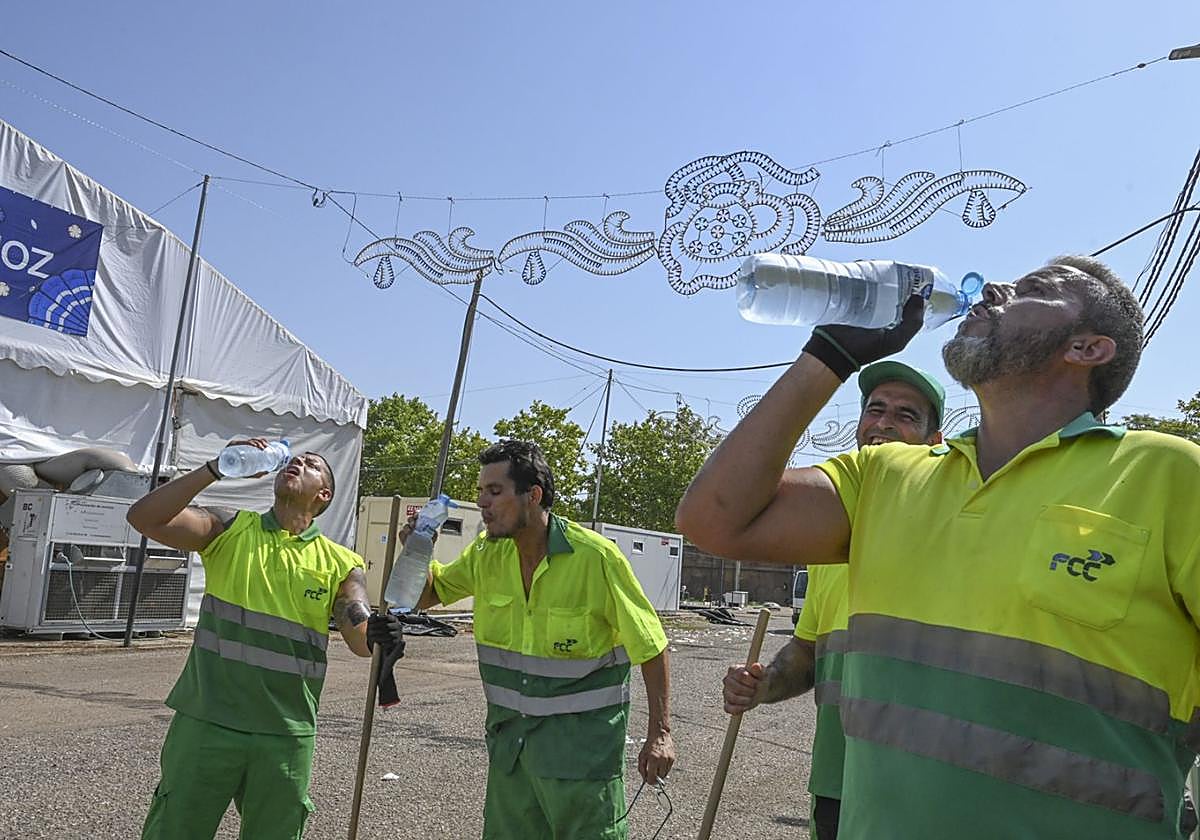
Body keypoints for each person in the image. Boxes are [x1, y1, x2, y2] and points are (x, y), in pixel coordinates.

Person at [677, 256, 1200, 838]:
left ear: (1086, 349)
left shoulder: (1170, 475)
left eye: (1035, 289)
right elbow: (713, 520)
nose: (999, 287)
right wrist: (830, 356)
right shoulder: (884, 476)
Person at [373, 440, 675, 839]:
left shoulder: (595, 558)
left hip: (581, 764)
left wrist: (661, 734)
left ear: (532, 495)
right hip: (511, 758)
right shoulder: (486, 554)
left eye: (494, 492)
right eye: (480, 492)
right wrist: (415, 552)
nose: (482, 502)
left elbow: (652, 648)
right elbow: (429, 595)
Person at [721, 360, 945, 840]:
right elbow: (808, 652)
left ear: (935, 441)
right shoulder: (829, 544)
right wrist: (766, 684)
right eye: (875, 408)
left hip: (927, 787)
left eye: (906, 415)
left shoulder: (952, 531)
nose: (883, 422)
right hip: (839, 782)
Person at [127, 438, 376, 840]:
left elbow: (360, 634)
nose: (297, 462)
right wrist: (215, 468)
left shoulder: (341, 562)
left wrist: (382, 632)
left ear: (324, 493)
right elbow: (144, 518)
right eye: (293, 459)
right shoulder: (229, 528)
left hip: (286, 732)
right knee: (176, 829)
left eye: (310, 464)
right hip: (208, 721)